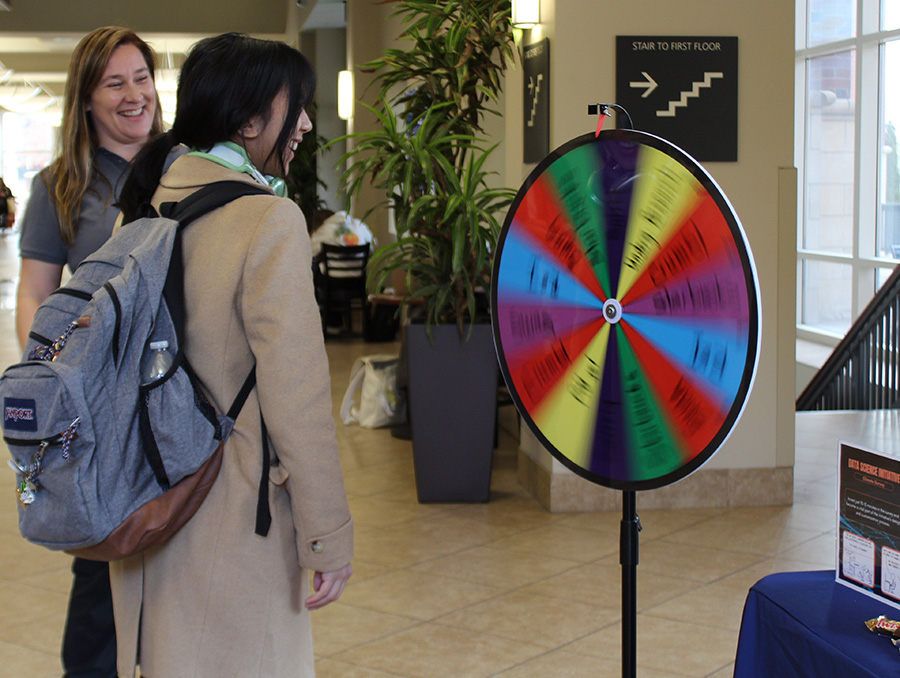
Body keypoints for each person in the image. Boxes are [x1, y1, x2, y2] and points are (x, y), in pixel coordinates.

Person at [113, 33, 353, 678]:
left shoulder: (141, 207)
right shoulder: (267, 220)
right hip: (232, 511)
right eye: (295, 106)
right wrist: (326, 534)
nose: (305, 122)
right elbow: (296, 399)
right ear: (249, 121)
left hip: (145, 501)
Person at [14, 26, 163, 678]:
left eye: (142, 78)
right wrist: (53, 386)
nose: (135, 96)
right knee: (102, 565)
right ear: (87, 100)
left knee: (182, 562)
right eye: (115, 83)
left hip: (183, 398)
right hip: (104, 408)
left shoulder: (185, 168)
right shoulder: (61, 188)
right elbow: (36, 296)